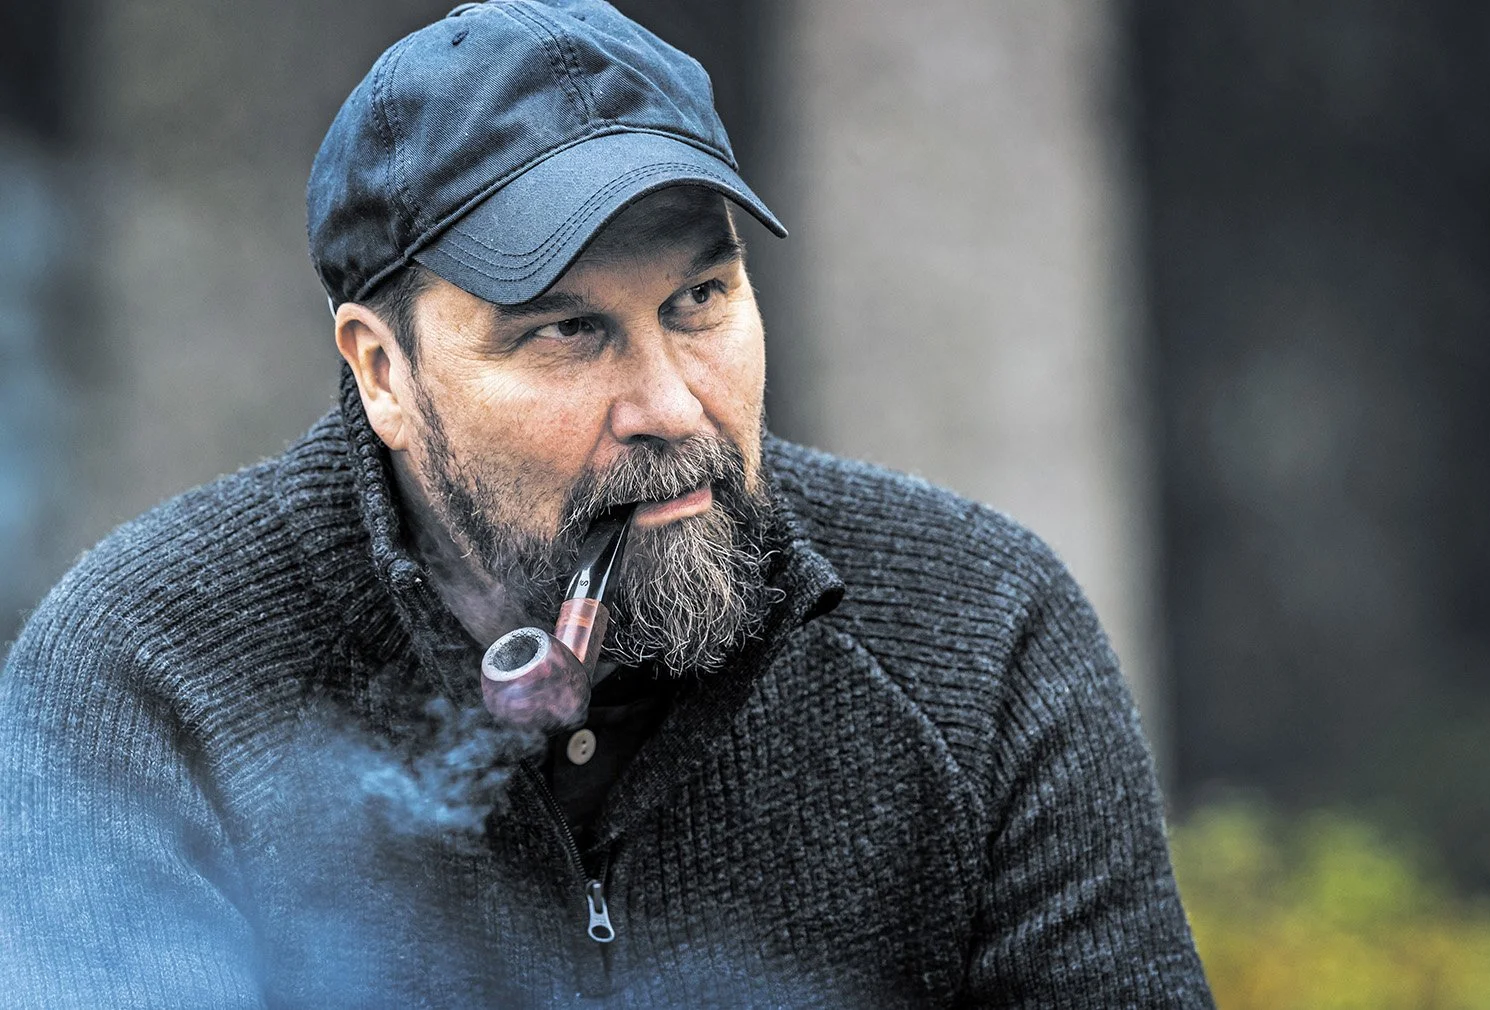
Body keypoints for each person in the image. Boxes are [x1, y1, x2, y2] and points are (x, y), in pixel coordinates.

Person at [0, 1, 1213, 1006]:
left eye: (700, 299)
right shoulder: (148, 677)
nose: (671, 406)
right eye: (568, 331)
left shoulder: (978, 631)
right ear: (383, 370)